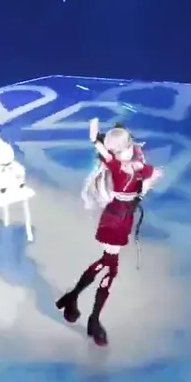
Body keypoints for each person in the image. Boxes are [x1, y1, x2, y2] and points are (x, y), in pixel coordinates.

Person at [55, 119, 161, 346]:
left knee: (107, 262)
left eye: (126, 148)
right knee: (111, 267)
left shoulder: (136, 162)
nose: (124, 154)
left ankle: (72, 298)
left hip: (125, 216)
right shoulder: (116, 165)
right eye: (119, 151)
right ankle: (93, 319)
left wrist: (141, 188)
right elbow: (106, 153)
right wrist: (95, 140)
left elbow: (152, 174)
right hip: (115, 217)